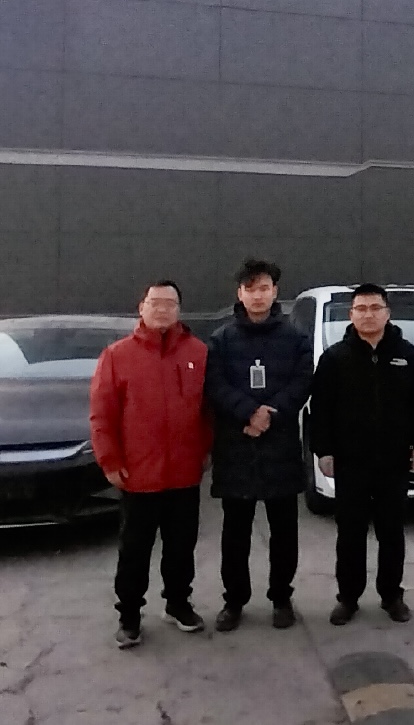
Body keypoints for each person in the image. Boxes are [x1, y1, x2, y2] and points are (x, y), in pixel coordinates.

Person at [90, 280, 212, 649]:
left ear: (179, 310)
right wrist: (109, 460)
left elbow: (208, 411)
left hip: (184, 474)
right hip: (138, 474)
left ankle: (178, 604)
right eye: (155, 302)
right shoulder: (117, 355)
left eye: (170, 303)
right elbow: (102, 414)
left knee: (181, 547)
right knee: (134, 550)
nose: (162, 309)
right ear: (141, 307)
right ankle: (129, 616)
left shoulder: (198, 352)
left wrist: (205, 451)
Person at [309, 283, 414, 625]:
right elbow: (321, 409)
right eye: (361, 309)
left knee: (391, 531)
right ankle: (348, 598)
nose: (368, 315)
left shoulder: (408, 355)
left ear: (387, 313)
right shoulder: (335, 358)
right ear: (351, 315)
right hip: (351, 462)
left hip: (394, 461)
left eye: (375, 308)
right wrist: (323, 451)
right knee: (350, 533)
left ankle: (392, 595)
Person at [205, 259, 313, 632]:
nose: (257, 295)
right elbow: (214, 385)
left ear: (275, 292)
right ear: (240, 293)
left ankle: (281, 598)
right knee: (235, 533)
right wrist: (248, 413)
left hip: (280, 448)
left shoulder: (295, 338)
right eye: (250, 289)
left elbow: (303, 382)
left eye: (264, 288)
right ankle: (233, 601)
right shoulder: (221, 340)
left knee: (284, 532)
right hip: (237, 447)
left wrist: (271, 414)